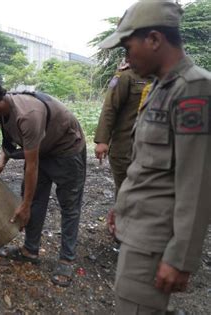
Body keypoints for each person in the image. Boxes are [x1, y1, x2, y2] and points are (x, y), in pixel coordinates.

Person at [99, 1, 211, 313]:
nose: (126, 56)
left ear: (154, 40)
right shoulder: (160, 87)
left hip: (154, 241)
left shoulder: (194, 88)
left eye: (128, 46)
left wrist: (180, 258)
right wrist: (121, 208)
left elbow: (197, 182)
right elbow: (147, 166)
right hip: (137, 229)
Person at [0, 72, 86, 287]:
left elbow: (32, 166)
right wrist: (3, 159)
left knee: (69, 206)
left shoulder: (28, 115)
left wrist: (24, 205)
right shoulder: (1, 108)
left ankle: (66, 259)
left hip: (66, 151)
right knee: (34, 199)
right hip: (41, 148)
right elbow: (10, 136)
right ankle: (30, 250)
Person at [94, 61, 151, 197]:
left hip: (150, 148)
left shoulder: (162, 77)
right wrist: (102, 141)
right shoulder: (126, 76)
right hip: (125, 147)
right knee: (126, 194)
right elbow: (110, 108)